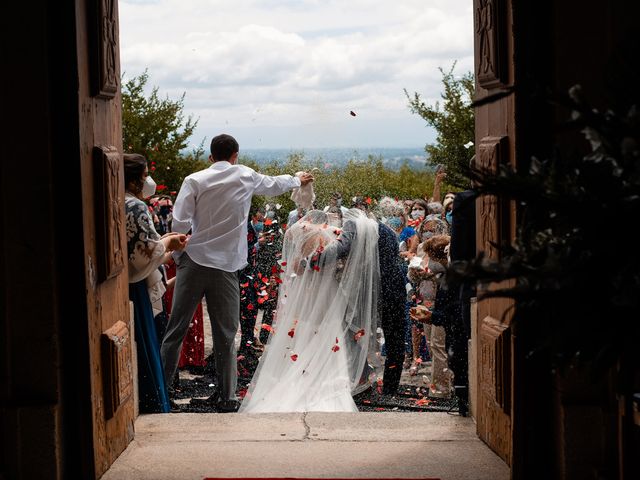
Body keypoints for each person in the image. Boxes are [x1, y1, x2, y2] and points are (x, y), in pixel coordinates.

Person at [160, 134, 314, 413]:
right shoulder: (245, 175)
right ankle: (227, 395)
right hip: (226, 266)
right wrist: (297, 178)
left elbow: (180, 222)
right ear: (236, 155)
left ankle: (163, 390)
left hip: (194, 261)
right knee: (226, 334)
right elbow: (274, 184)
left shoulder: (194, 180)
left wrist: (182, 257)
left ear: (210, 157)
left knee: (176, 330)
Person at [239, 209, 381, 413]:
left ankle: (306, 375)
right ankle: (331, 379)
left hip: (310, 292)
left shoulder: (301, 235)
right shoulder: (333, 236)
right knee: (330, 333)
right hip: (329, 291)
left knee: (308, 333)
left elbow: (297, 268)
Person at [124, 153, 188, 413]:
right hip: (136, 285)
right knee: (146, 345)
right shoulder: (135, 206)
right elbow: (145, 253)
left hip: (127, 281)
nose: (148, 180)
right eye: (145, 174)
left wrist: (163, 241)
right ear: (133, 180)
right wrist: (167, 243)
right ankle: (153, 402)